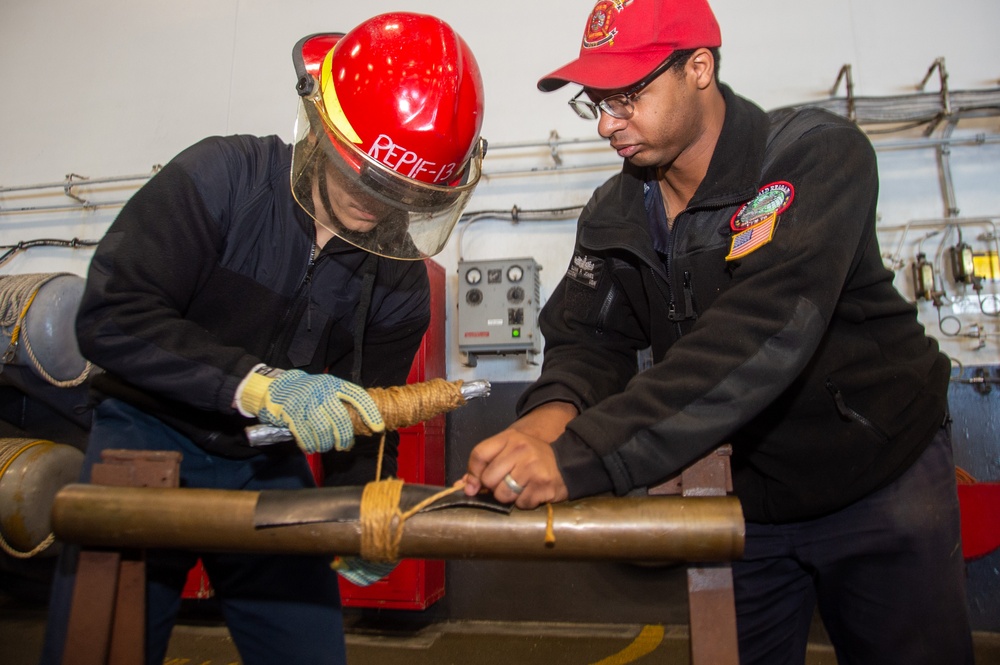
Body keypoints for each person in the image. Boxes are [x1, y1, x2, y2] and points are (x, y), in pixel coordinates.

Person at [462, 1, 973, 663]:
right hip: (743, 504)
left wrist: (578, 454)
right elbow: (589, 339)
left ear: (699, 67)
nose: (609, 124)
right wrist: (546, 420)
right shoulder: (617, 209)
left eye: (628, 97)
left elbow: (762, 333)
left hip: (880, 482)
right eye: (596, 102)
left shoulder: (811, 158)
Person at [40, 11, 484, 665]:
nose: (374, 200)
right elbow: (112, 316)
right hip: (144, 436)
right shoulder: (222, 178)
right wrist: (254, 383)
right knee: (101, 642)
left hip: (265, 464)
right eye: (361, 170)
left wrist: (362, 510)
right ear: (323, 124)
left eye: (400, 192)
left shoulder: (399, 283)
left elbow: (362, 417)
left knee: (307, 651)